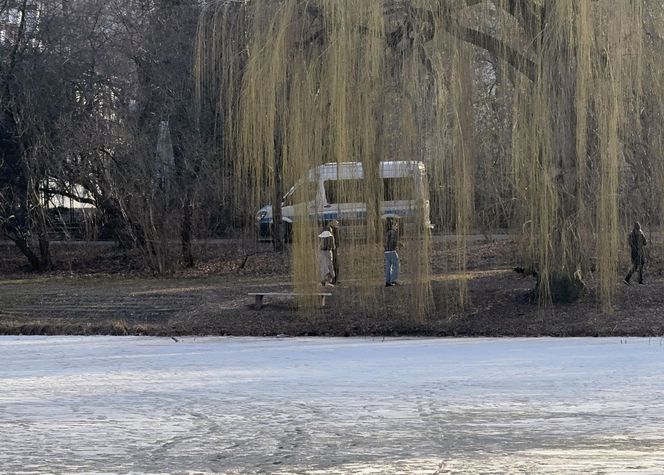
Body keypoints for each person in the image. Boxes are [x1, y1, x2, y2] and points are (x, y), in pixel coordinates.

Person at [384, 218, 400, 287]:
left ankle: (388, 281)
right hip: (392, 251)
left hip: (386, 252)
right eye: (396, 225)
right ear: (392, 225)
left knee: (388, 266)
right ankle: (393, 280)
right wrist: (398, 245)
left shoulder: (387, 233)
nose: (397, 227)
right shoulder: (393, 232)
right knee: (396, 265)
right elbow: (393, 242)